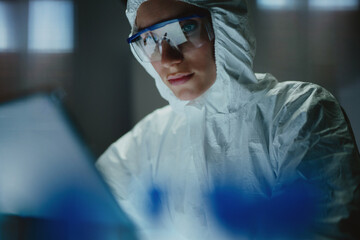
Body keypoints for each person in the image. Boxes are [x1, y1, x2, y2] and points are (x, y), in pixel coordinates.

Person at [96, 0, 360, 239]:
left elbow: (319, 230)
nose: (167, 59)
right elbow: (87, 209)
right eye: (149, 40)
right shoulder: (150, 140)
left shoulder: (300, 113)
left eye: (185, 29)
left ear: (225, 24)